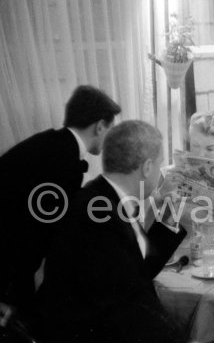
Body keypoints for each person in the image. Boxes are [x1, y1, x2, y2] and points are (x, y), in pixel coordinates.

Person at [33, 120, 186, 343]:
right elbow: (124, 307)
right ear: (147, 167)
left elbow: (136, 272)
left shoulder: (106, 197)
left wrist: (169, 219)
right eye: (160, 164)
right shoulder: (97, 217)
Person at [0, 85, 121, 325]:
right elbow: (58, 228)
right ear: (99, 126)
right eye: (111, 130)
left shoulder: (50, 143)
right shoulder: (66, 161)